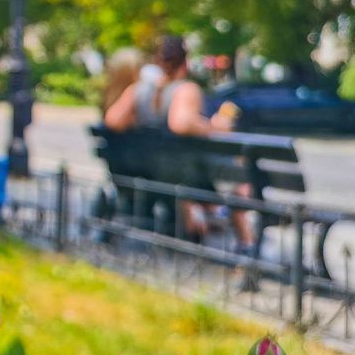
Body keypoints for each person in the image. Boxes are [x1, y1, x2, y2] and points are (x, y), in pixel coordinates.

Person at [104, 35, 253, 249]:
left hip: (152, 171)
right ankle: (246, 243)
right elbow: (180, 123)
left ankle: (199, 223)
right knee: (240, 181)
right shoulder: (184, 89)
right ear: (184, 63)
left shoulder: (138, 90)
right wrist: (215, 126)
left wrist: (139, 122)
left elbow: (112, 120)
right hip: (181, 175)